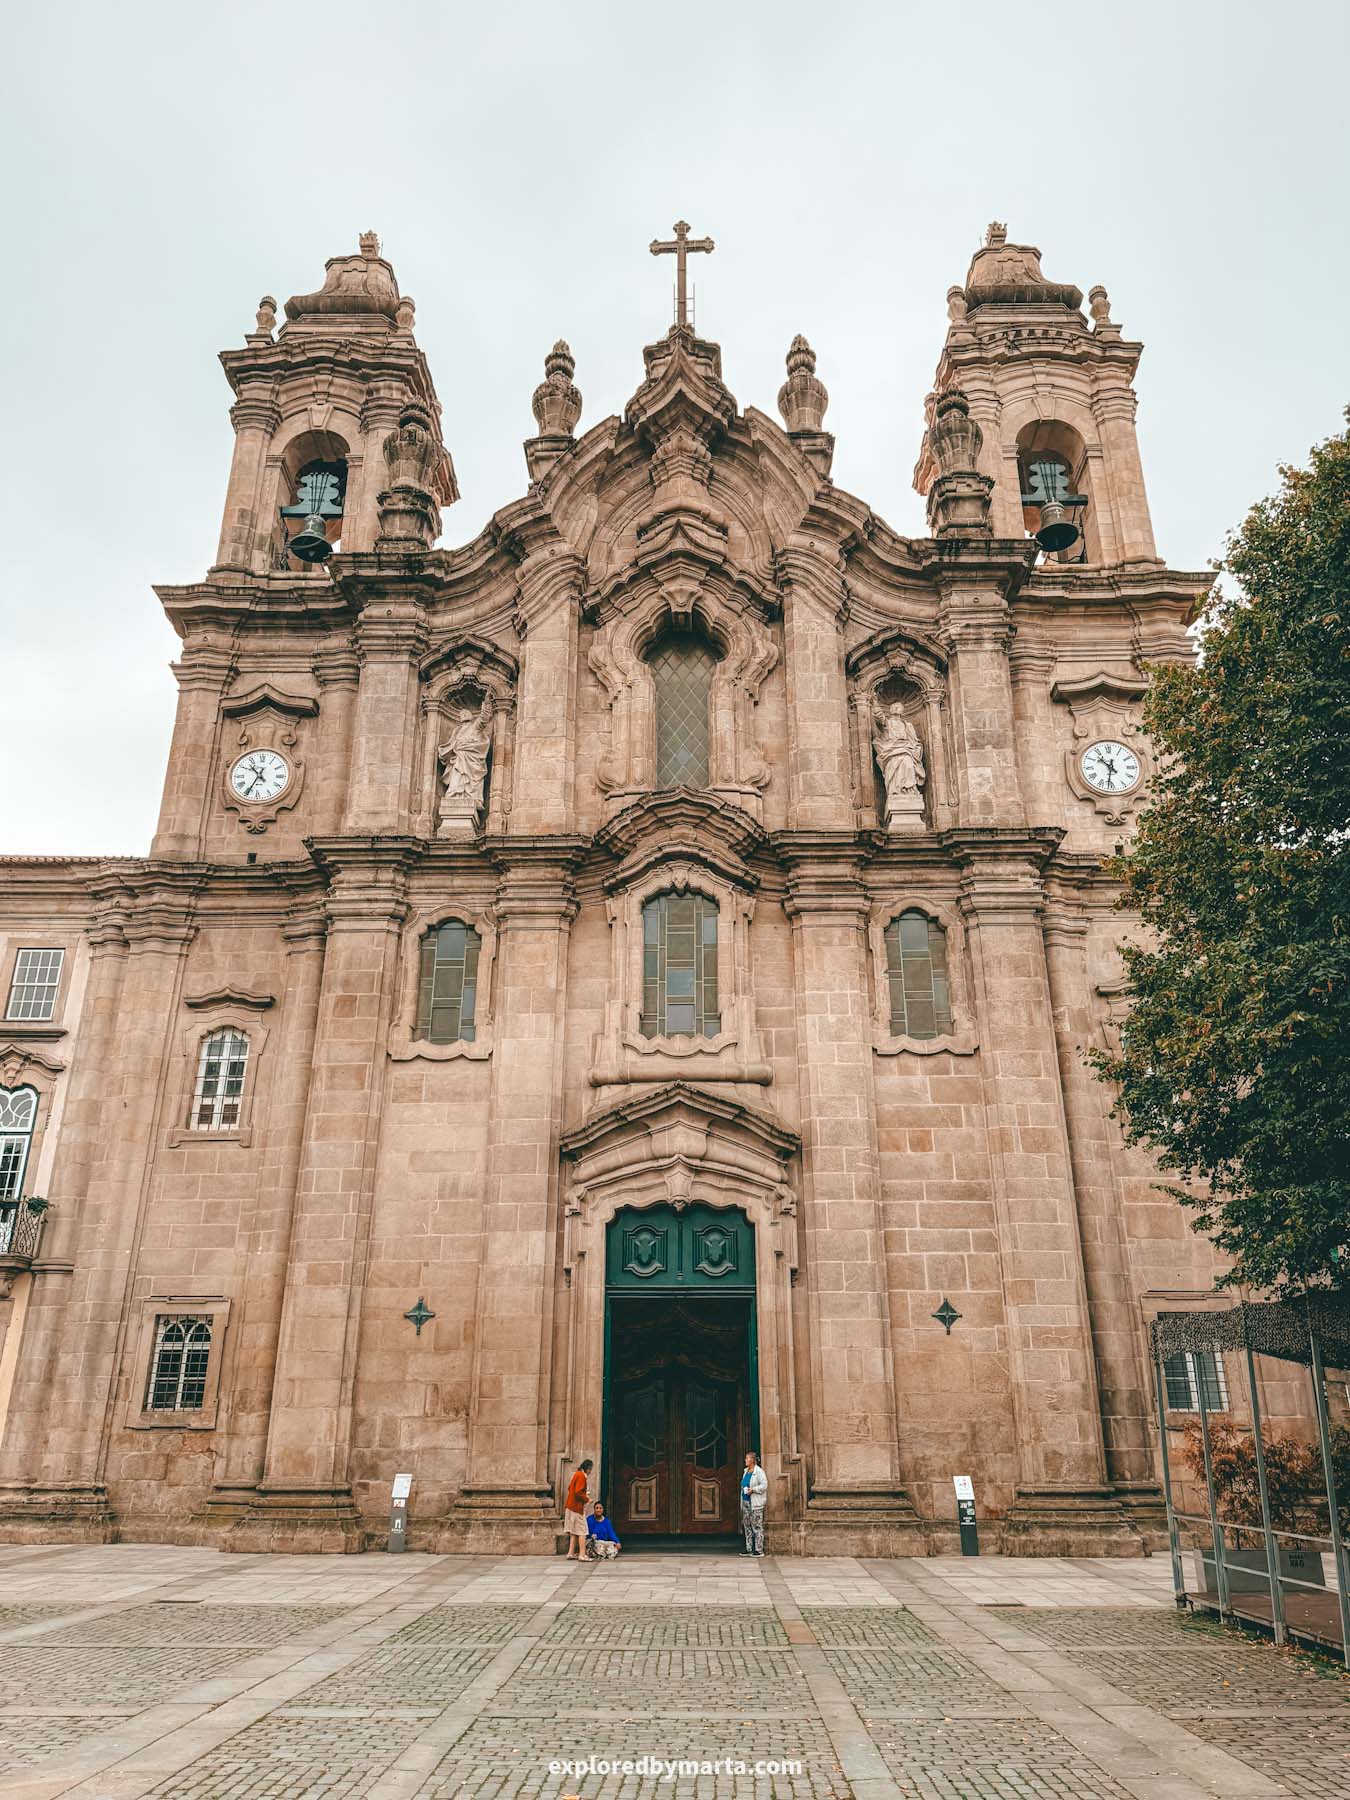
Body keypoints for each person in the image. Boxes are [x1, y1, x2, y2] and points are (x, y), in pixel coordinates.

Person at [563, 1458, 593, 1561]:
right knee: (582, 1531)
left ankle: (570, 1553)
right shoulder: (581, 1476)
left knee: (573, 1531)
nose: (590, 1472)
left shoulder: (576, 1474)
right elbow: (578, 1491)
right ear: (588, 1468)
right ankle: (582, 1554)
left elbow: (570, 1487)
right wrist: (587, 1499)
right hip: (577, 1508)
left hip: (570, 1506)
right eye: (590, 1469)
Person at [740, 1451, 767, 1557]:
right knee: (747, 1525)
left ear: (752, 1460)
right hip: (745, 1501)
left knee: (757, 1525)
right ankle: (748, 1548)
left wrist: (753, 1489)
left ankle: (759, 1549)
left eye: (747, 1458)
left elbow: (764, 1485)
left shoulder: (759, 1472)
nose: (745, 1460)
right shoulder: (745, 1471)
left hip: (755, 1502)